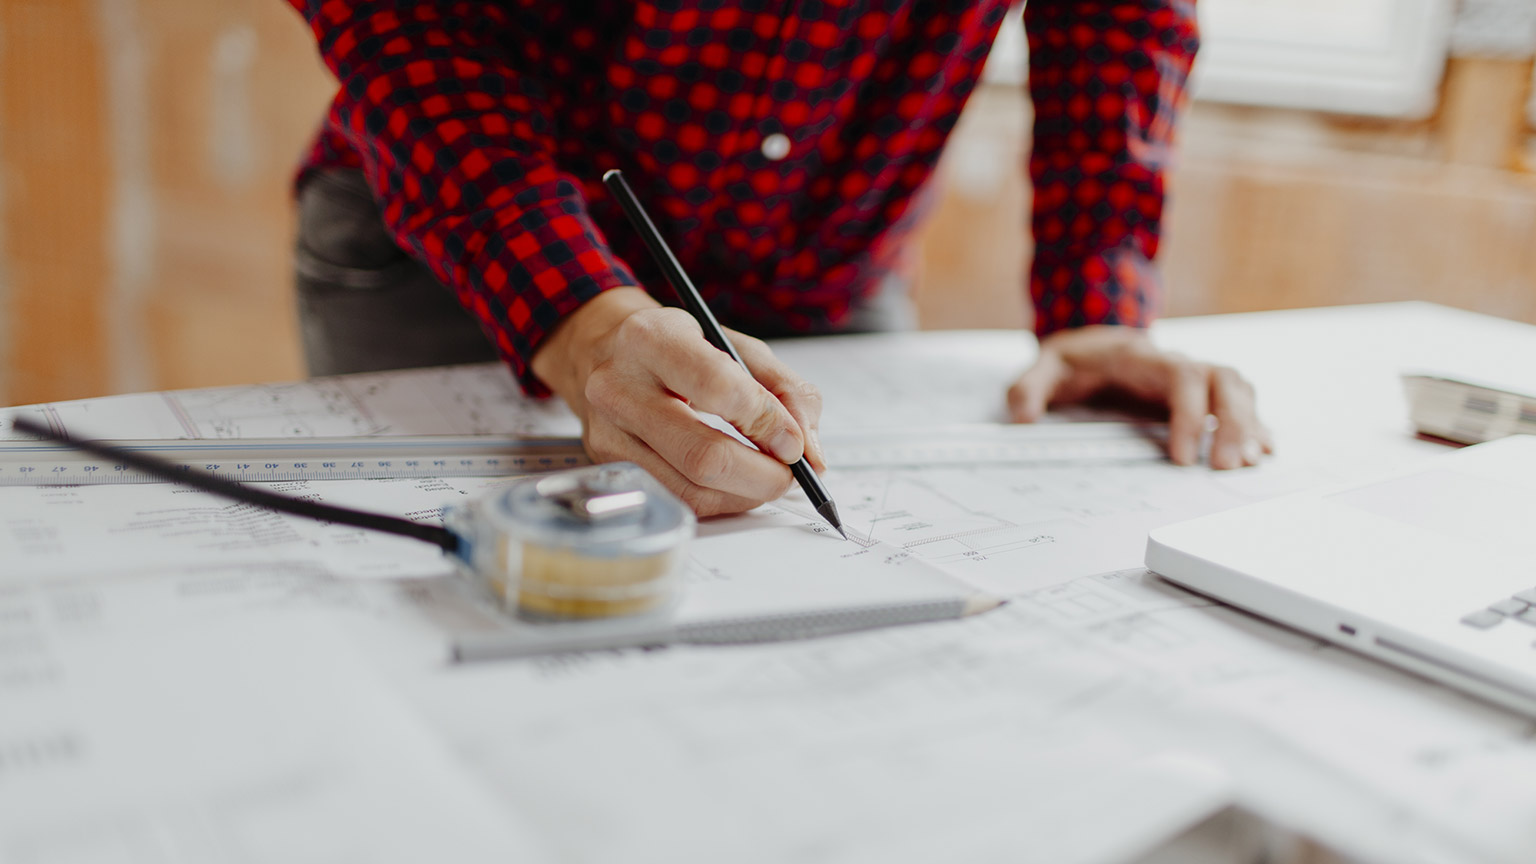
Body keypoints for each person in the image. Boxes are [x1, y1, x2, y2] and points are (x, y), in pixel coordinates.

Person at [286, 0, 1271, 517]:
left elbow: (1117, 17)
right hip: (472, 235)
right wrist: (579, 317)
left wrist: (1097, 298)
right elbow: (406, 16)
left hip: (826, 255)